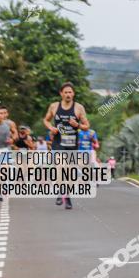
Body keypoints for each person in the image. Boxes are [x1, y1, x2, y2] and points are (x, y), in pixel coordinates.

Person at [42, 82, 90, 210]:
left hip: (71, 143)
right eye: (66, 92)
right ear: (61, 93)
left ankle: (67, 196)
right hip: (58, 142)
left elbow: (87, 126)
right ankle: (60, 191)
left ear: (73, 94)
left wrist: (77, 125)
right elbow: (46, 120)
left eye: (70, 92)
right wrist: (51, 128)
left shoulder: (79, 108)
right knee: (59, 167)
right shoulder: (54, 106)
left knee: (68, 172)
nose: (68, 94)